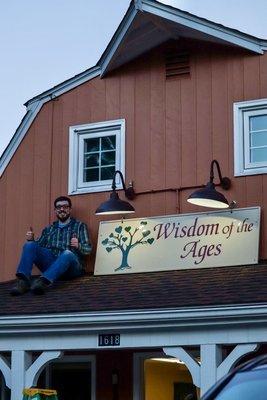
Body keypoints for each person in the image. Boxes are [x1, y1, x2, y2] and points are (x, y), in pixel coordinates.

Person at [10, 196, 92, 295]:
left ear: (70, 209)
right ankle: (23, 282)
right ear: (55, 210)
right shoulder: (49, 229)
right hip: (51, 265)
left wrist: (78, 245)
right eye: (59, 207)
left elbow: (89, 249)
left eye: (65, 206)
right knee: (29, 245)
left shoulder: (80, 226)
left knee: (67, 253)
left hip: (71, 269)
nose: (62, 209)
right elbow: (37, 248)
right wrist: (31, 240)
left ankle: (43, 282)